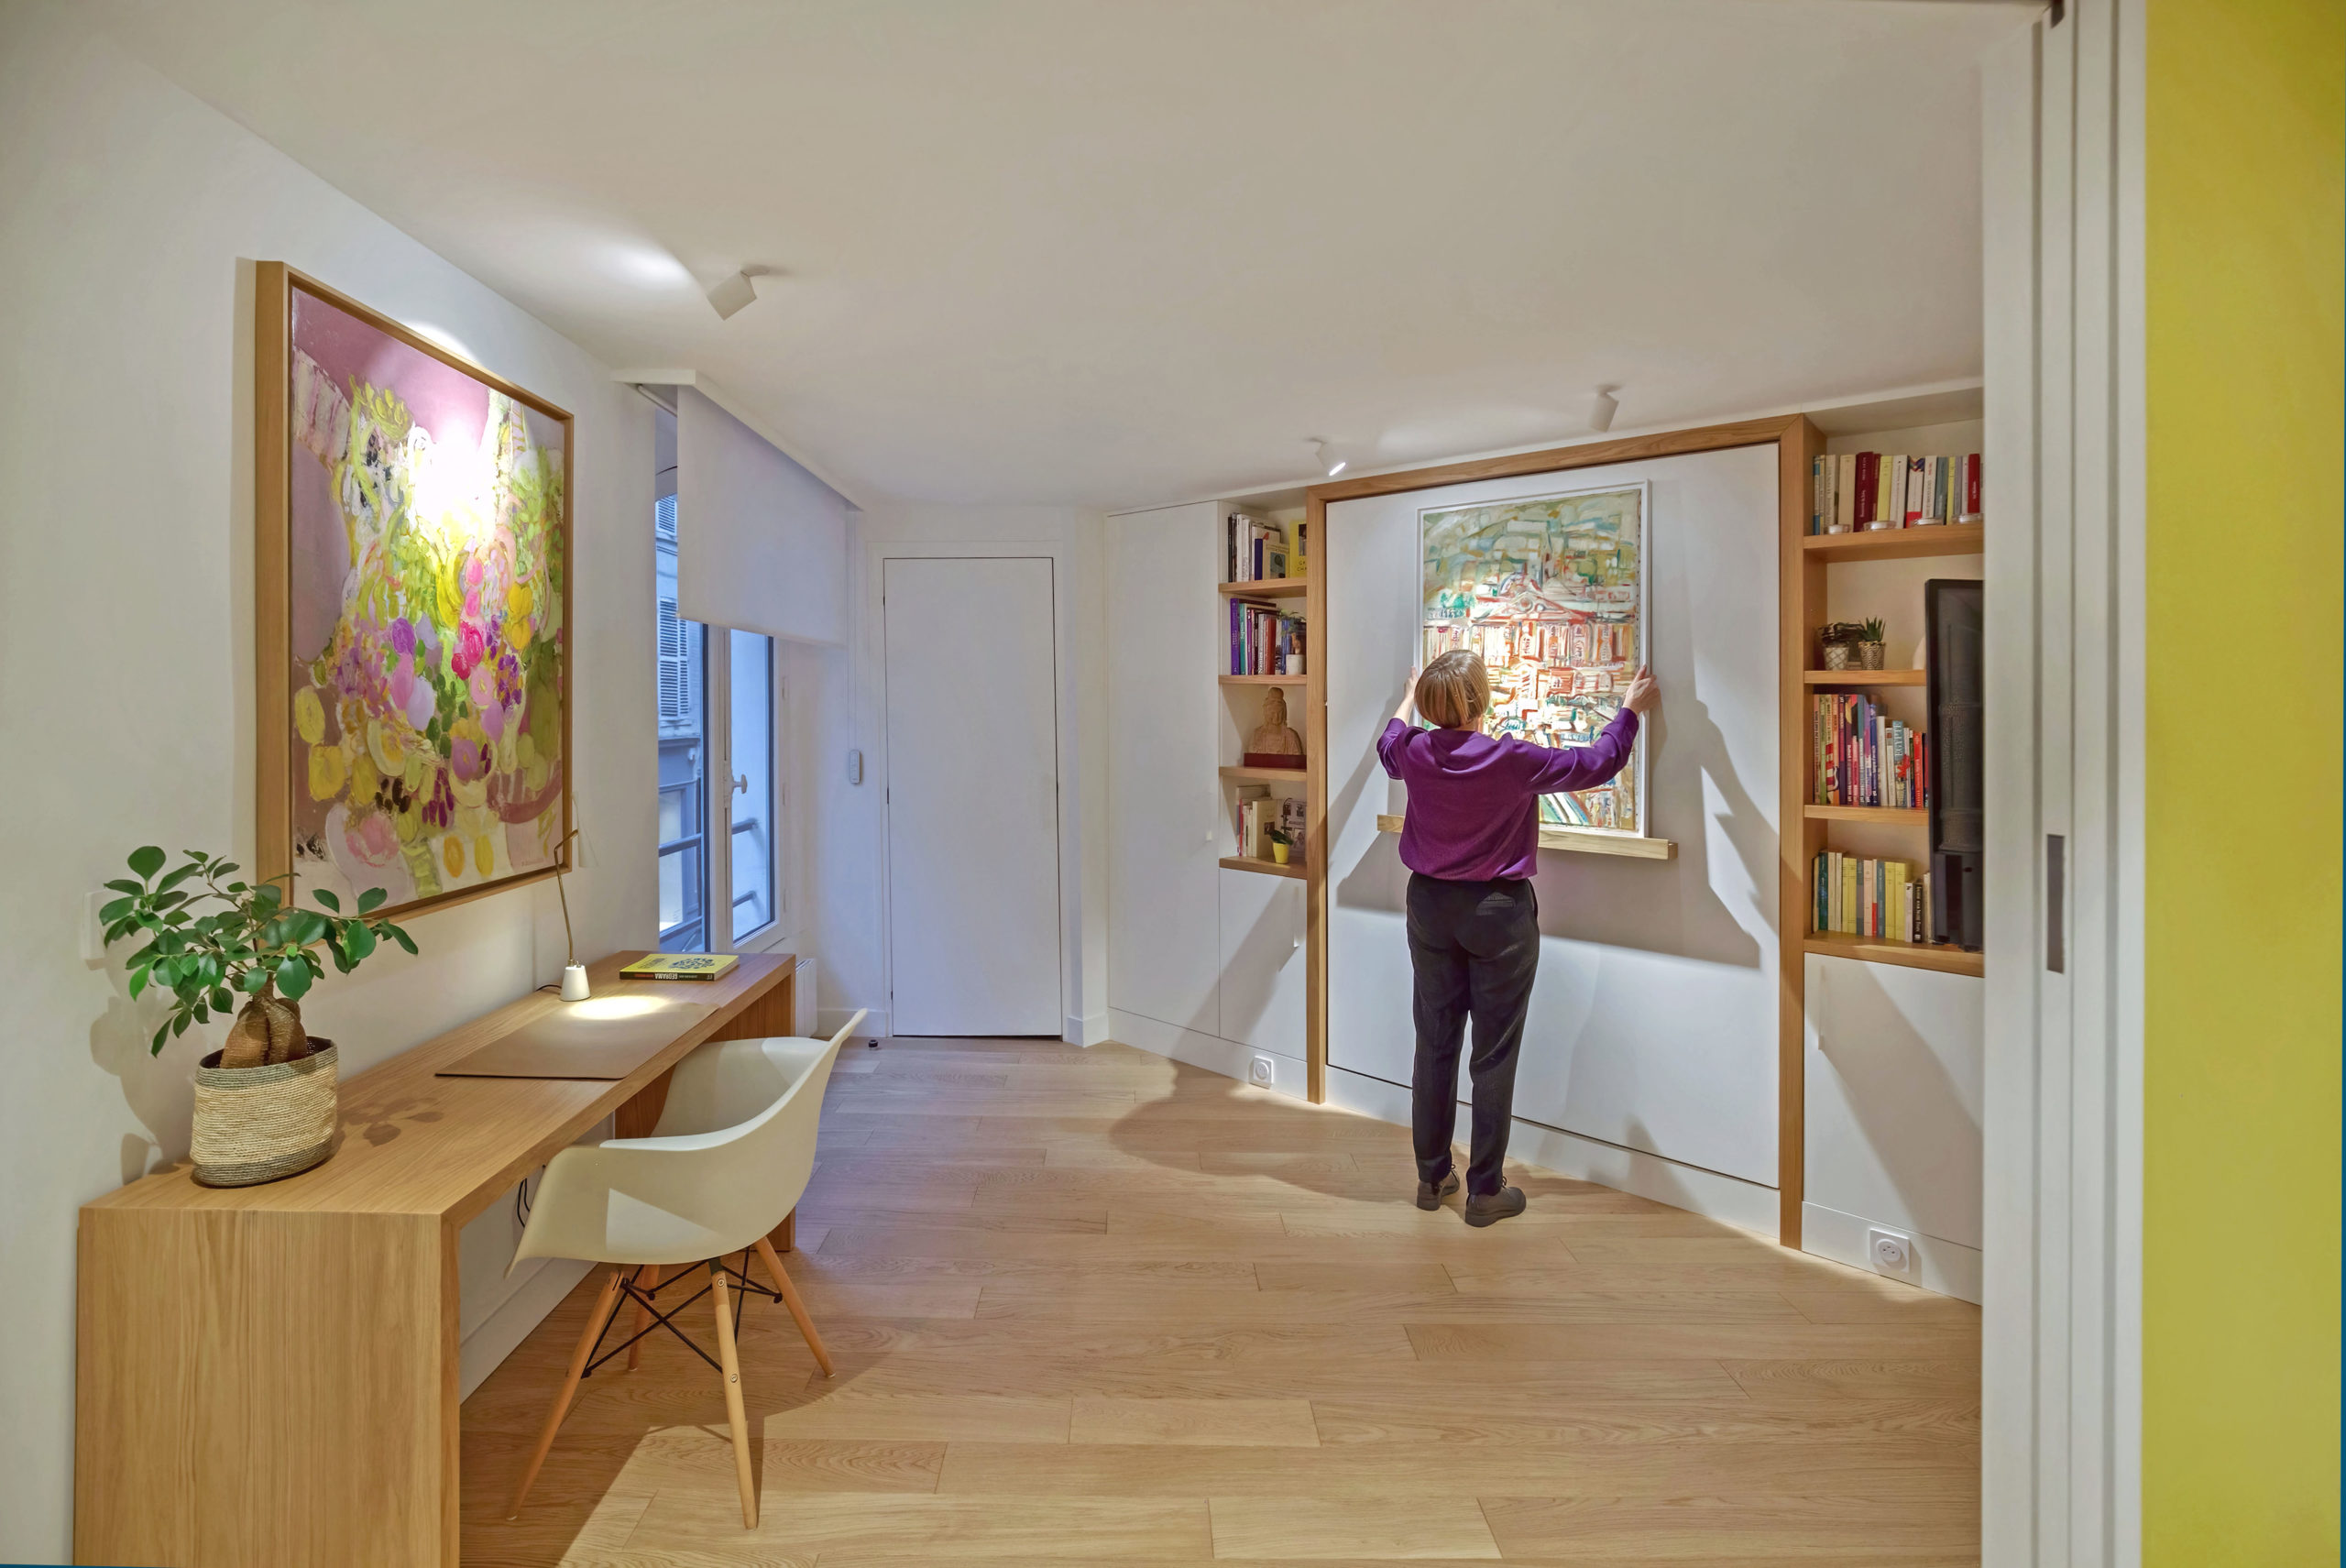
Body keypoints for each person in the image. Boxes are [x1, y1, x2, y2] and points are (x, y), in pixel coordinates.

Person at [1376, 649, 1658, 1226]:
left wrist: (1407, 696)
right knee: (1493, 1052)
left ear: (1432, 706)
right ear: (1482, 702)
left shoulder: (1414, 752)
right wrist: (1630, 710)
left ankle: (1432, 1176)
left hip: (1428, 905)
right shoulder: (1510, 759)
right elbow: (1598, 762)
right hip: (1497, 913)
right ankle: (1485, 1191)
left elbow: (1389, 743)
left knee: (1433, 1042)